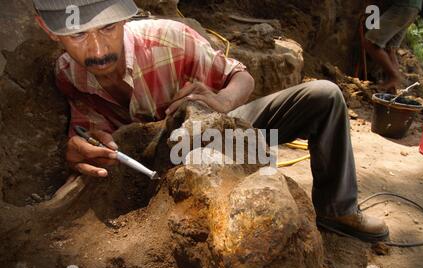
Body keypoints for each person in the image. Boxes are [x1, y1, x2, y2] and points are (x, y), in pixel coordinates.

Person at [33, 0, 389, 242]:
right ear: (49, 31)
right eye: (79, 34)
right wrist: (82, 147)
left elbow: (242, 77)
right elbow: (91, 134)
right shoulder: (68, 75)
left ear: (125, 18)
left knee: (324, 95)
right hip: (156, 160)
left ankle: (336, 210)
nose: (98, 50)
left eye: (108, 28)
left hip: (214, 133)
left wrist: (223, 100)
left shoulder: (169, 40)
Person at [364, 0, 423, 92]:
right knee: (390, 48)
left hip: (403, 6)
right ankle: (392, 86)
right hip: (413, 8)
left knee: (371, 42)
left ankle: (394, 77)